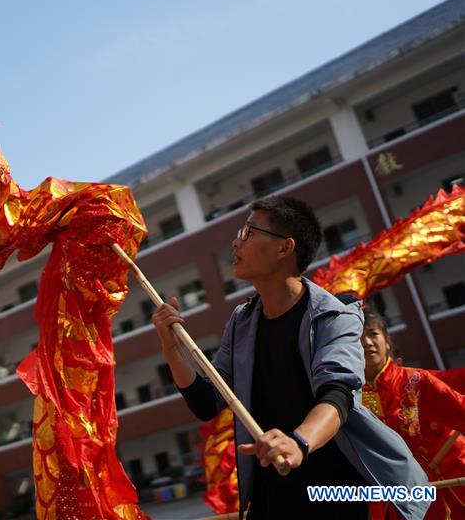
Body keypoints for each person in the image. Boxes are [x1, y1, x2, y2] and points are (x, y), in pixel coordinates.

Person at [150, 195, 430, 519]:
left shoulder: (334, 315)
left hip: (332, 495)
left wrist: (298, 443)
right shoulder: (242, 322)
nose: (235, 242)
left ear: (284, 248)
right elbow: (206, 402)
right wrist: (170, 346)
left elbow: (338, 394)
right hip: (270, 496)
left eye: (248, 232)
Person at [361, 311, 465, 519]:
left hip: (448, 480)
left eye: (373, 333)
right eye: (356, 337)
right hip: (398, 494)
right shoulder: (350, 397)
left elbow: (459, 408)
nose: (366, 342)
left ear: (387, 342)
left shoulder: (416, 380)